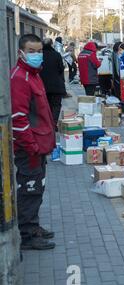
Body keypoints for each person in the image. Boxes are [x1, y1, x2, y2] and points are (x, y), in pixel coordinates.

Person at [10, 34, 56, 250]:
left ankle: (33, 226)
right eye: (31, 51)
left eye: (39, 51)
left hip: (38, 147)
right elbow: (18, 119)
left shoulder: (33, 75)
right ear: (21, 52)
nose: (37, 55)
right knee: (29, 189)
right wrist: (32, 148)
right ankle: (27, 235)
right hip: (29, 149)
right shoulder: (20, 78)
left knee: (37, 187)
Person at [40, 38, 67, 130]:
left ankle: (47, 123)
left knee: (46, 105)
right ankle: (53, 123)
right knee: (56, 105)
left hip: (43, 86)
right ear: (52, 44)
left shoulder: (40, 55)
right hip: (56, 86)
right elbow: (61, 69)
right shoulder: (57, 55)